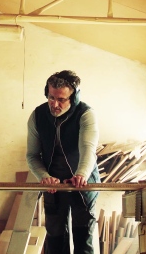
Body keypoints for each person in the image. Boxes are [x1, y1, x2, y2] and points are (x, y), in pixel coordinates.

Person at [26, 70, 100, 254]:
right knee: (55, 238)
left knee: (83, 237)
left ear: (73, 97)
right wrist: (44, 176)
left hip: (82, 184)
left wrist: (81, 174)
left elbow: (88, 149)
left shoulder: (85, 114)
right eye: (51, 97)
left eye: (61, 99)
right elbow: (32, 155)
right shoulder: (37, 116)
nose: (55, 104)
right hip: (54, 185)